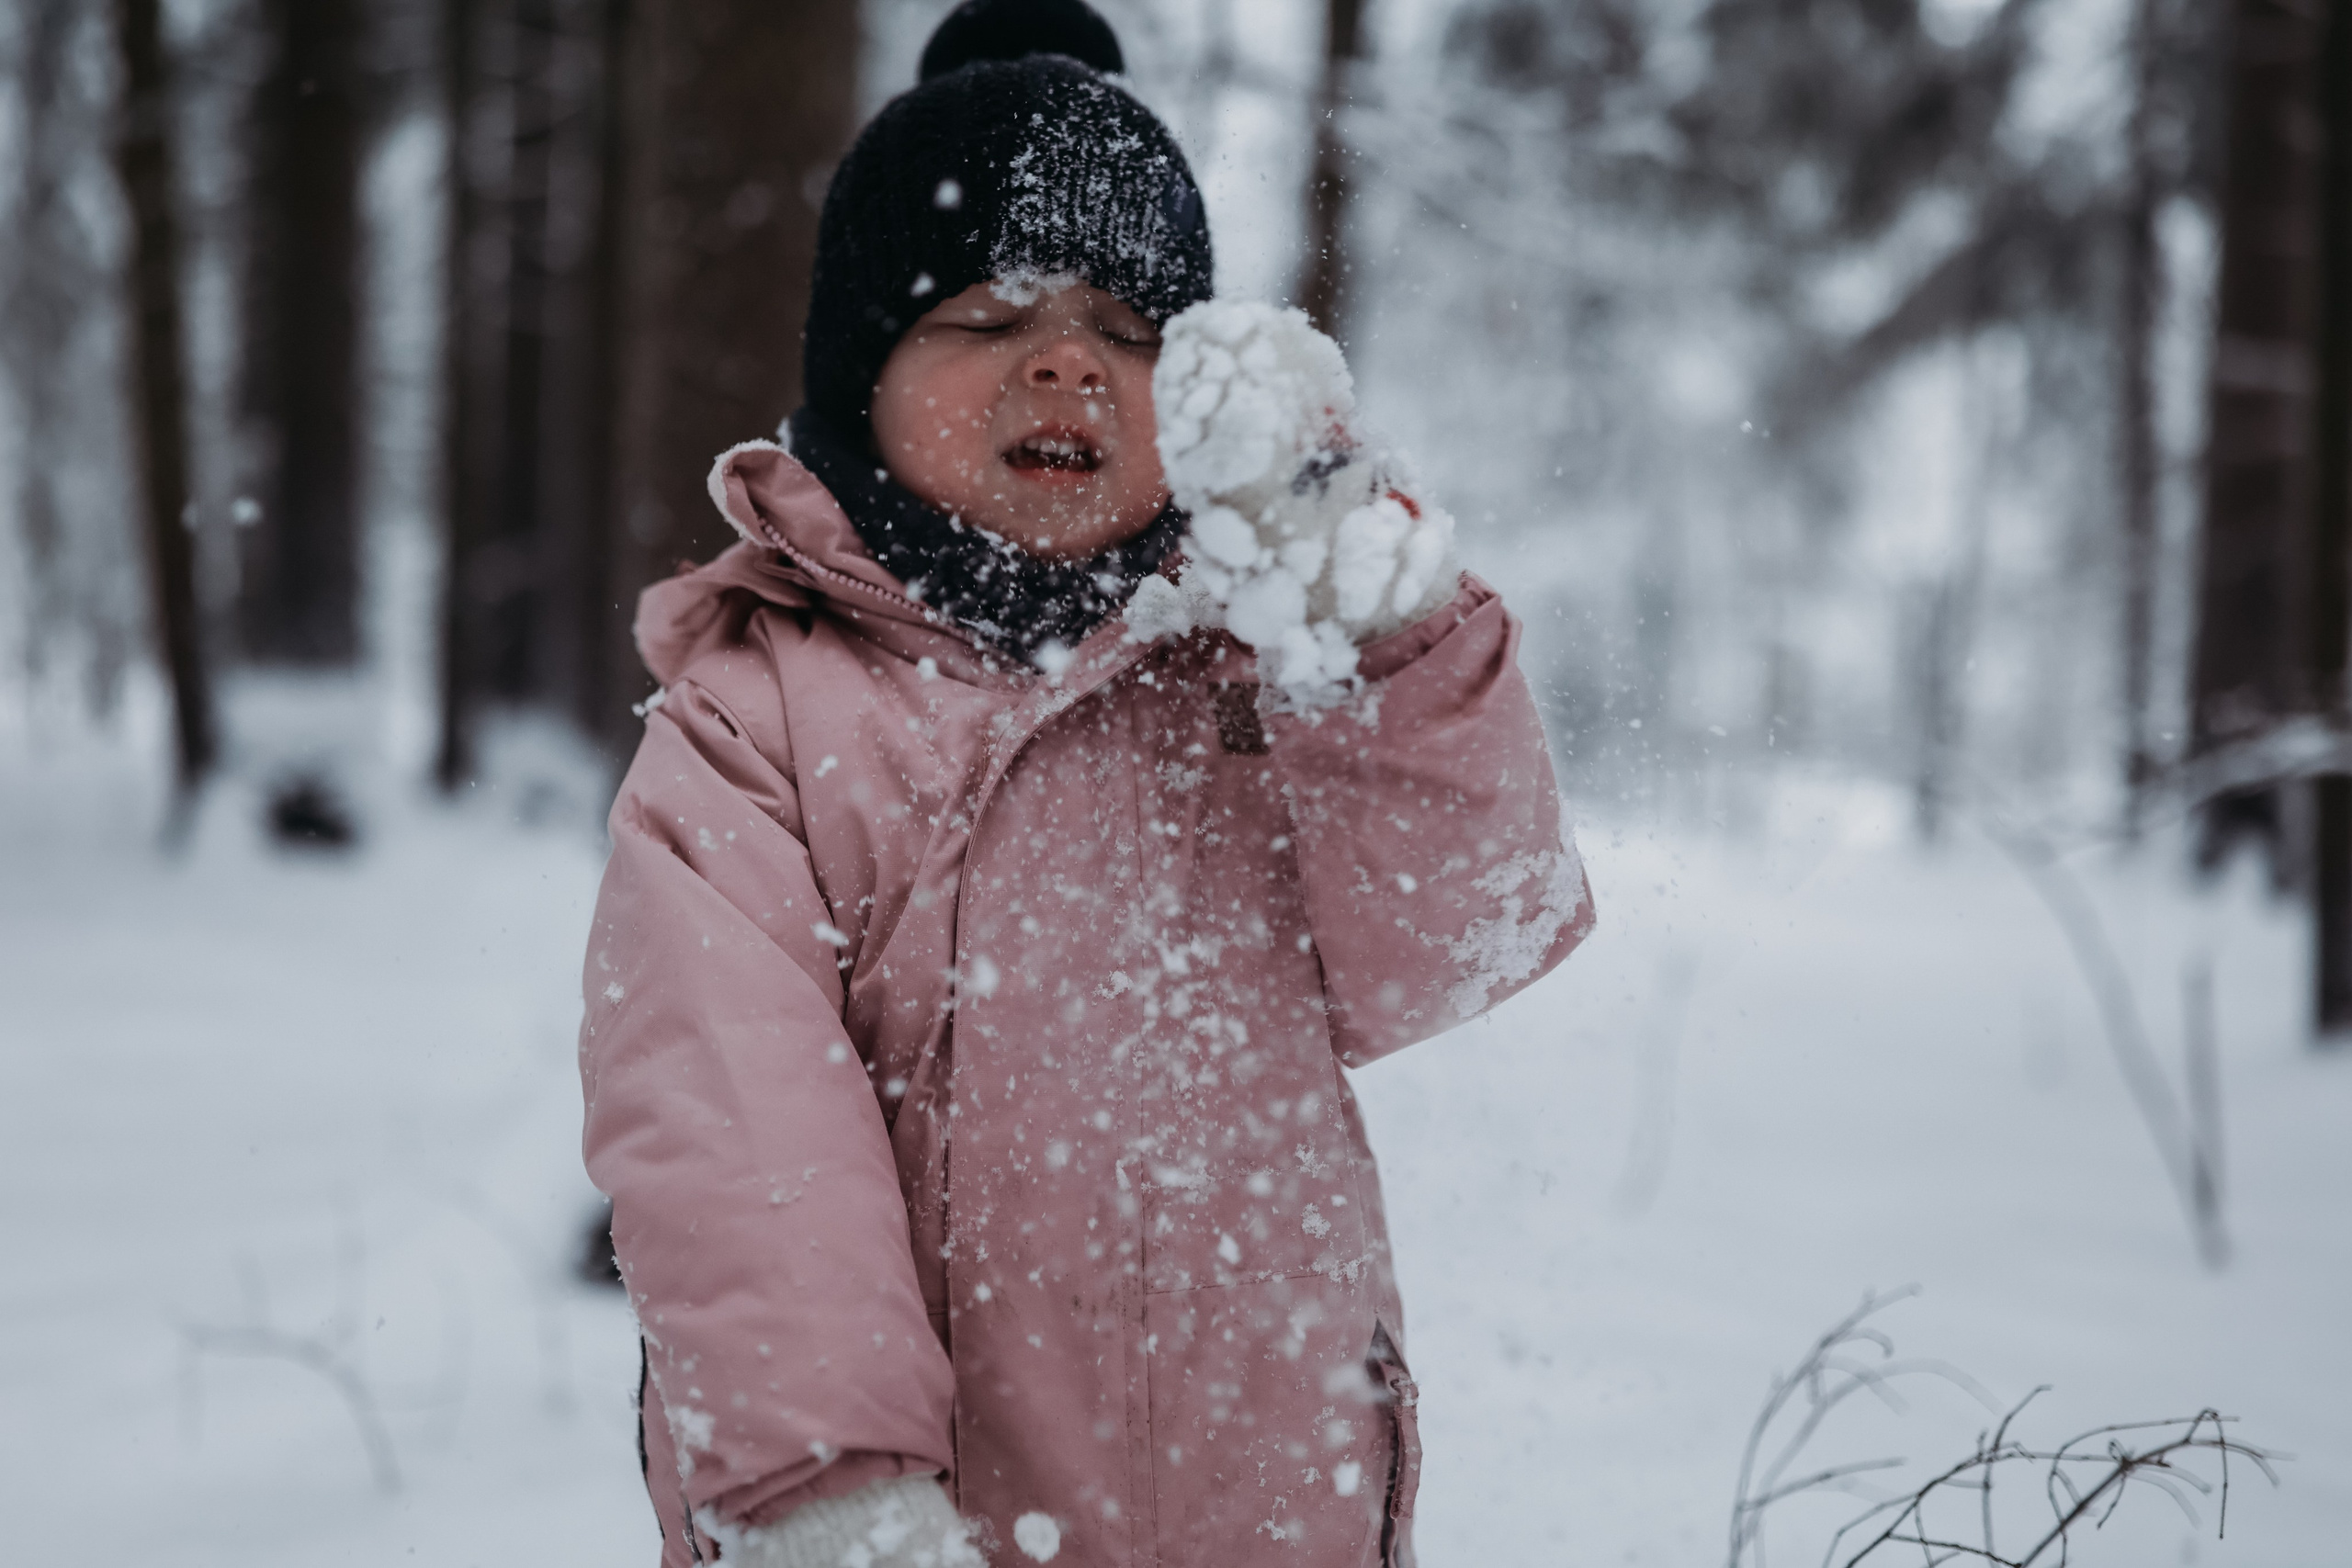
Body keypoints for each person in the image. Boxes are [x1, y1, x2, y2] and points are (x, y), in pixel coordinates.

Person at [577, 3, 1594, 1564]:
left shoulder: (1246, 675)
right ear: (861, 383)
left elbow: (1459, 931)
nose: (1067, 361)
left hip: (1266, 1496)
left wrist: (1377, 628)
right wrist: (825, 1487)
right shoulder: (759, 716)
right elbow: (726, 1114)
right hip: (930, 1514)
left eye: (1130, 336)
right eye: (990, 321)